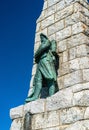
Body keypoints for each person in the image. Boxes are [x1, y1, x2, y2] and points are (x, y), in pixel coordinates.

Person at [25, 33, 57, 102]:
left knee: (50, 77)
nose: (41, 39)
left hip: (45, 60)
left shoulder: (47, 42)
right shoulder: (43, 43)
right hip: (40, 62)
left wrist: (36, 54)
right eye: (40, 38)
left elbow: (42, 49)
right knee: (37, 79)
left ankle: (52, 96)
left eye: (42, 37)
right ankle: (35, 96)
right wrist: (37, 54)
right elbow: (39, 52)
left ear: (45, 37)